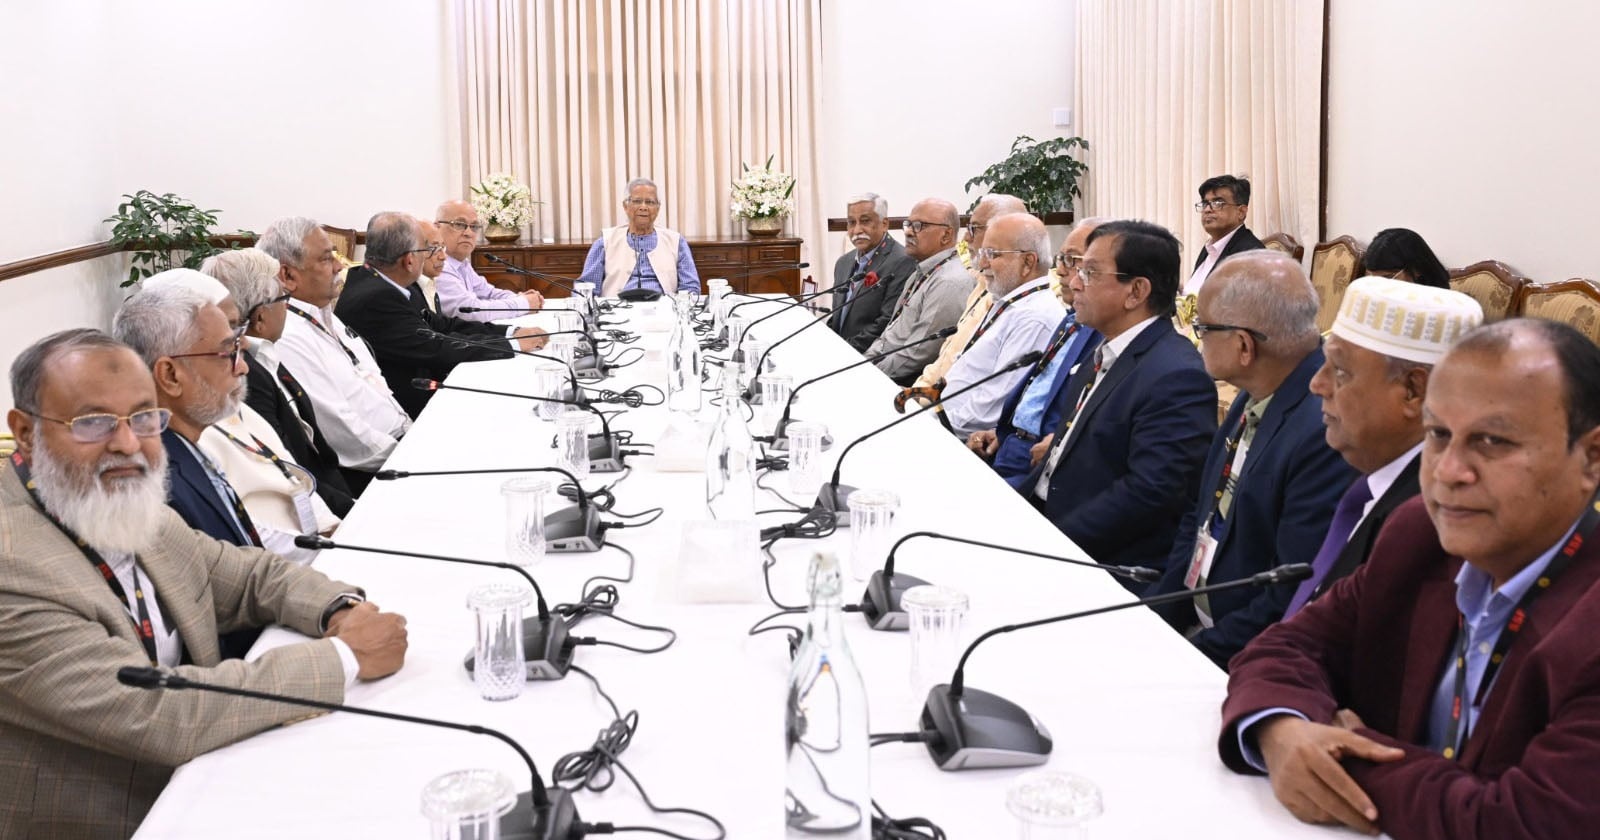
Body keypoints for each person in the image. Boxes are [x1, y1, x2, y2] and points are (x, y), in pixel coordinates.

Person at [0, 328, 408, 838]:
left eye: (143, 418)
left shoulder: (120, 504)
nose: (127, 444)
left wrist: (339, 610)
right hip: (117, 817)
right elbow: (152, 712)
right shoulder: (12, 564)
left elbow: (250, 576)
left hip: (209, 774)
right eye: (93, 423)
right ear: (27, 432)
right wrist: (344, 657)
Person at [1219, 318, 1600, 839]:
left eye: (1492, 441)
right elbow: (1284, 646)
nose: (1448, 471)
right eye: (1438, 434)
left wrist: (1348, 756)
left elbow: (1526, 824)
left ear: (1591, 458)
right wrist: (1282, 727)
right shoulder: (1419, 535)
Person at [1148, 251, 1357, 667]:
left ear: (1243, 345)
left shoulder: (1323, 432)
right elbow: (1200, 515)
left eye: (1202, 328)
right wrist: (1155, 618)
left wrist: (1186, 657)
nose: (1196, 338)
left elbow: (1287, 594)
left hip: (1239, 654)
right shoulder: (1259, 386)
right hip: (1198, 622)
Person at [1024, 220, 1217, 583]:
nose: (1074, 282)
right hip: (1047, 520)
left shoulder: (1176, 376)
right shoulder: (1103, 349)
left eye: (1090, 272)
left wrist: (1048, 544)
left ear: (1136, 291)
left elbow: (1147, 494)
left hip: (1098, 559)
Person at [1282, 276, 1483, 617]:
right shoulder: (1368, 467)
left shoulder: (1428, 526)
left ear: (1413, 392)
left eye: (1340, 371)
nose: (1317, 384)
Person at [333, 212, 548, 418]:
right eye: (427, 249)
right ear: (409, 260)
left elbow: (442, 325)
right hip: (407, 409)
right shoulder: (377, 298)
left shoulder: (389, 283)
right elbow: (435, 348)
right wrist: (512, 345)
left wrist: (511, 332)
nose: (438, 255)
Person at [201, 247, 356, 516]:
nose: (288, 307)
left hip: (331, 486)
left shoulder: (264, 353)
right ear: (260, 317)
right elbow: (286, 472)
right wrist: (353, 508)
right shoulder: (245, 375)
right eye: (284, 298)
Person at [258, 217, 412, 483]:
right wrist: (410, 455)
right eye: (327, 258)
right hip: (375, 470)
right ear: (288, 275)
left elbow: (373, 383)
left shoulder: (323, 313)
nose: (340, 266)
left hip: (400, 440)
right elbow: (343, 434)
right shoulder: (287, 335)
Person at [967, 217, 1104, 485]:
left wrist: (1057, 444)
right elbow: (1038, 394)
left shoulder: (1100, 332)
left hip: (1037, 461)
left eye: (1072, 260)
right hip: (1007, 444)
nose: (1060, 270)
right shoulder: (1070, 320)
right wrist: (1004, 433)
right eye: (1061, 258)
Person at [938, 213, 1067, 437]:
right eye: (982, 253)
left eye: (992, 254)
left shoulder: (1034, 317)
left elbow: (991, 410)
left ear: (1028, 262)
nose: (981, 264)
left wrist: (931, 424)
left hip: (958, 436)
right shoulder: (1011, 301)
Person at [900, 193, 1029, 410]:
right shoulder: (982, 284)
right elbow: (945, 360)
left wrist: (925, 406)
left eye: (974, 228)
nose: (966, 238)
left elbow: (987, 397)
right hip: (927, 402)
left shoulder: (1024, 308)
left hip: (950, 416)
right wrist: (912, 394)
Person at [864, 198, 974, 386]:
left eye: (919, 226)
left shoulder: (949, 281)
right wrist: (864, 362)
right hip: (882, 371)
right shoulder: (922, 271)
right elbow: (890, 335)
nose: (908, 231)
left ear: (946, 235)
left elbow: (917, 353)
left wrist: (868, 374)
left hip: (902, 384)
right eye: (908, 224)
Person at [577, 178, 702, 298]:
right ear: (625, 206)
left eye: (650, 202)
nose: (643, 207)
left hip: (663, 308)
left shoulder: (676, 241)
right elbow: (585, 288)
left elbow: (690, 286)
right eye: (637, 201)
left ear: (658, 208)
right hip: (615, 309)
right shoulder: (605, 242)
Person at [827, 192, 918, 350]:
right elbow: (838, 317)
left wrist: (843, 351)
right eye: (851, 222)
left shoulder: (903, 261)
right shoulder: (843, 262)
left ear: (884, 224)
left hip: (868, 356)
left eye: (865, 221)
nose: (857, 230)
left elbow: (886, 322)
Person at [434, 200, 544, 319]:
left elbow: (489, 293)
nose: (469, 233)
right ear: (437, 227)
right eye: (459, 224)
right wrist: (524, 304)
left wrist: (519, 298)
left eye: (474, 226)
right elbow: (469, 311)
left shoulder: (461, 263)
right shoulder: (438, 265)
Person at [1185, 174, 1264, 296]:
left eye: (1218, 203)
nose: (1207, 210)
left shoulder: (1250, 254)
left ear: (1241, 212)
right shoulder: (1209, 249)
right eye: (1205, 203)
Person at [1362, 227, 1452, 289]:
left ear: (1416, 269)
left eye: (1387, 278)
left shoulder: (1439, 303)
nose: (1379, 288)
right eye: (1373, 280)